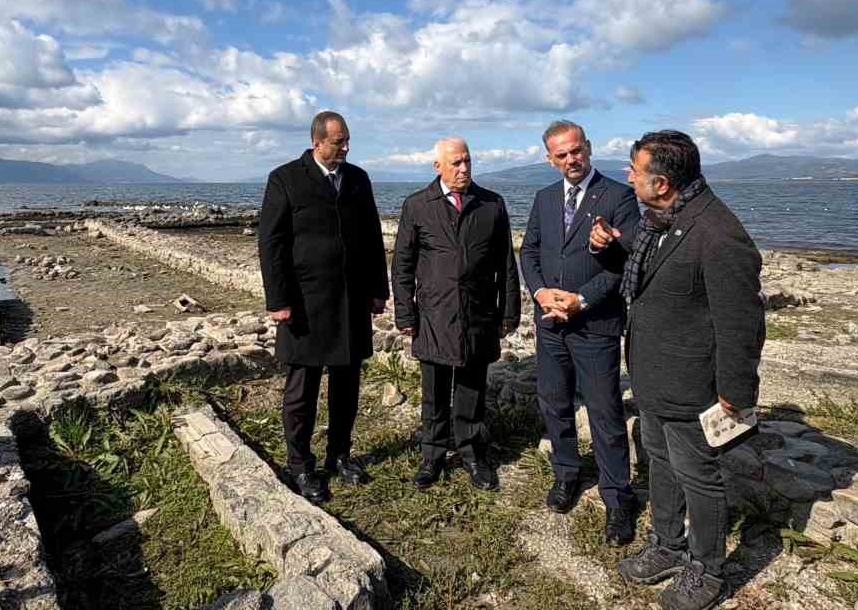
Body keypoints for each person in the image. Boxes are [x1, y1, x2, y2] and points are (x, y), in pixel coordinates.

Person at [590, 129, 765, 610]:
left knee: (699, 477)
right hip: (654, 375)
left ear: (662, 182)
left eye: (635, 170)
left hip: (694, 385)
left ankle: (707, 569)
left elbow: (743, 323)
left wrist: (736, 391)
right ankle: (667, 545)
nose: (628, 176)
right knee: (661, 464)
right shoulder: (665, 219)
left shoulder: (719, 234)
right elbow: (659, 278)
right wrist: (612, 249)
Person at [518, 119, 642, 544]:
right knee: (553, 403)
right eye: (562, 154)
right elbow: (529, 251)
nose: (572, 159)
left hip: (595, 324)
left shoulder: (620, 196)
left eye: (577, 151)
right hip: (550, 323)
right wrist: (539, 293)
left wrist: (581, 300)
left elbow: (624, 263)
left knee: (605, 414)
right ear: (550, 160)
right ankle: (566, 474)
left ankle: (617, 498)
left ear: (588, 148)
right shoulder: (544, 198)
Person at [257, 110, 390, 503]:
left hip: (350, 301)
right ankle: (300, 465)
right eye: (338, 142)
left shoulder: (358, 179)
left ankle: (340, 454)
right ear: (317, 142)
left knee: (347, 385)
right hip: (304, 304)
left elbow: (370, 236)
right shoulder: (285, 178)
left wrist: (377, 289)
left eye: (348, 140)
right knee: (303, 389)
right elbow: (271, 243)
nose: (345, 147)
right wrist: (278, 300)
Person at [392, 137, 521, 491]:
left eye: (467, 161)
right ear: (438, 167)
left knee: (471, 388)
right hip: (433, 314)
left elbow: (506, 264)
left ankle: (472, 453)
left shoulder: (491, 205)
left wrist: (509, 312)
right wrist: (405, 314)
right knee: (434, 391)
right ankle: (432, 455)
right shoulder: (418, 205)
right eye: (456, 164)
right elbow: (402, 264)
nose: (464, 169)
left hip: (478, 314)